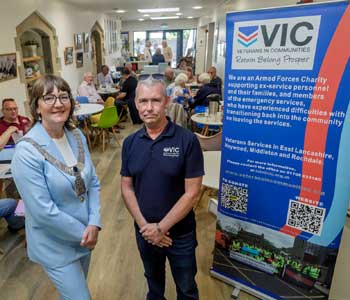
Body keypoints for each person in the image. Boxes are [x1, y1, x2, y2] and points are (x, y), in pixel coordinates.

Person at [11, 74, 101, 300]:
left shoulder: (77, 135)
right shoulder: (26, 151)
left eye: (63, 96)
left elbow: (93, 183)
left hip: (85, 235)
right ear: (36, 107)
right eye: (49, 98)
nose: (58, 103)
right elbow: (42, 211)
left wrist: (94, 222)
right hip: (56, 244)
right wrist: (84, 233)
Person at [121, 76, 204, 300]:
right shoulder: (130, 143)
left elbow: (192, 192)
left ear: (166, 101)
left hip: (180, 234)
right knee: (154, 284)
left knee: (186, 288)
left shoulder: (187, 140)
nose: (149, 108)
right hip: (145, 232)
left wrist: (162, 228)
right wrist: (146, 228)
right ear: (136, 103)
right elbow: (127, 188)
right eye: (143, 101)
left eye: (155, 101)